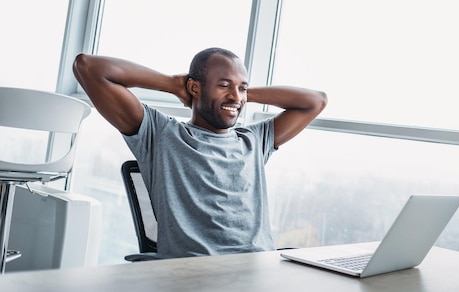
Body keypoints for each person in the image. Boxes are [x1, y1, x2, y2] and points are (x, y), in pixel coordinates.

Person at [73, 47, 327, 258]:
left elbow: (316, 100)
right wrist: (175, 84)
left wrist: (237, 92)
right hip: (197, 273)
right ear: (195, 88)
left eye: (242, 88)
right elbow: (88, 67)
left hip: (257, 269)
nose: (236, 98)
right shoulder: (161, 134)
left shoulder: (254, 140)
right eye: (224, 85)